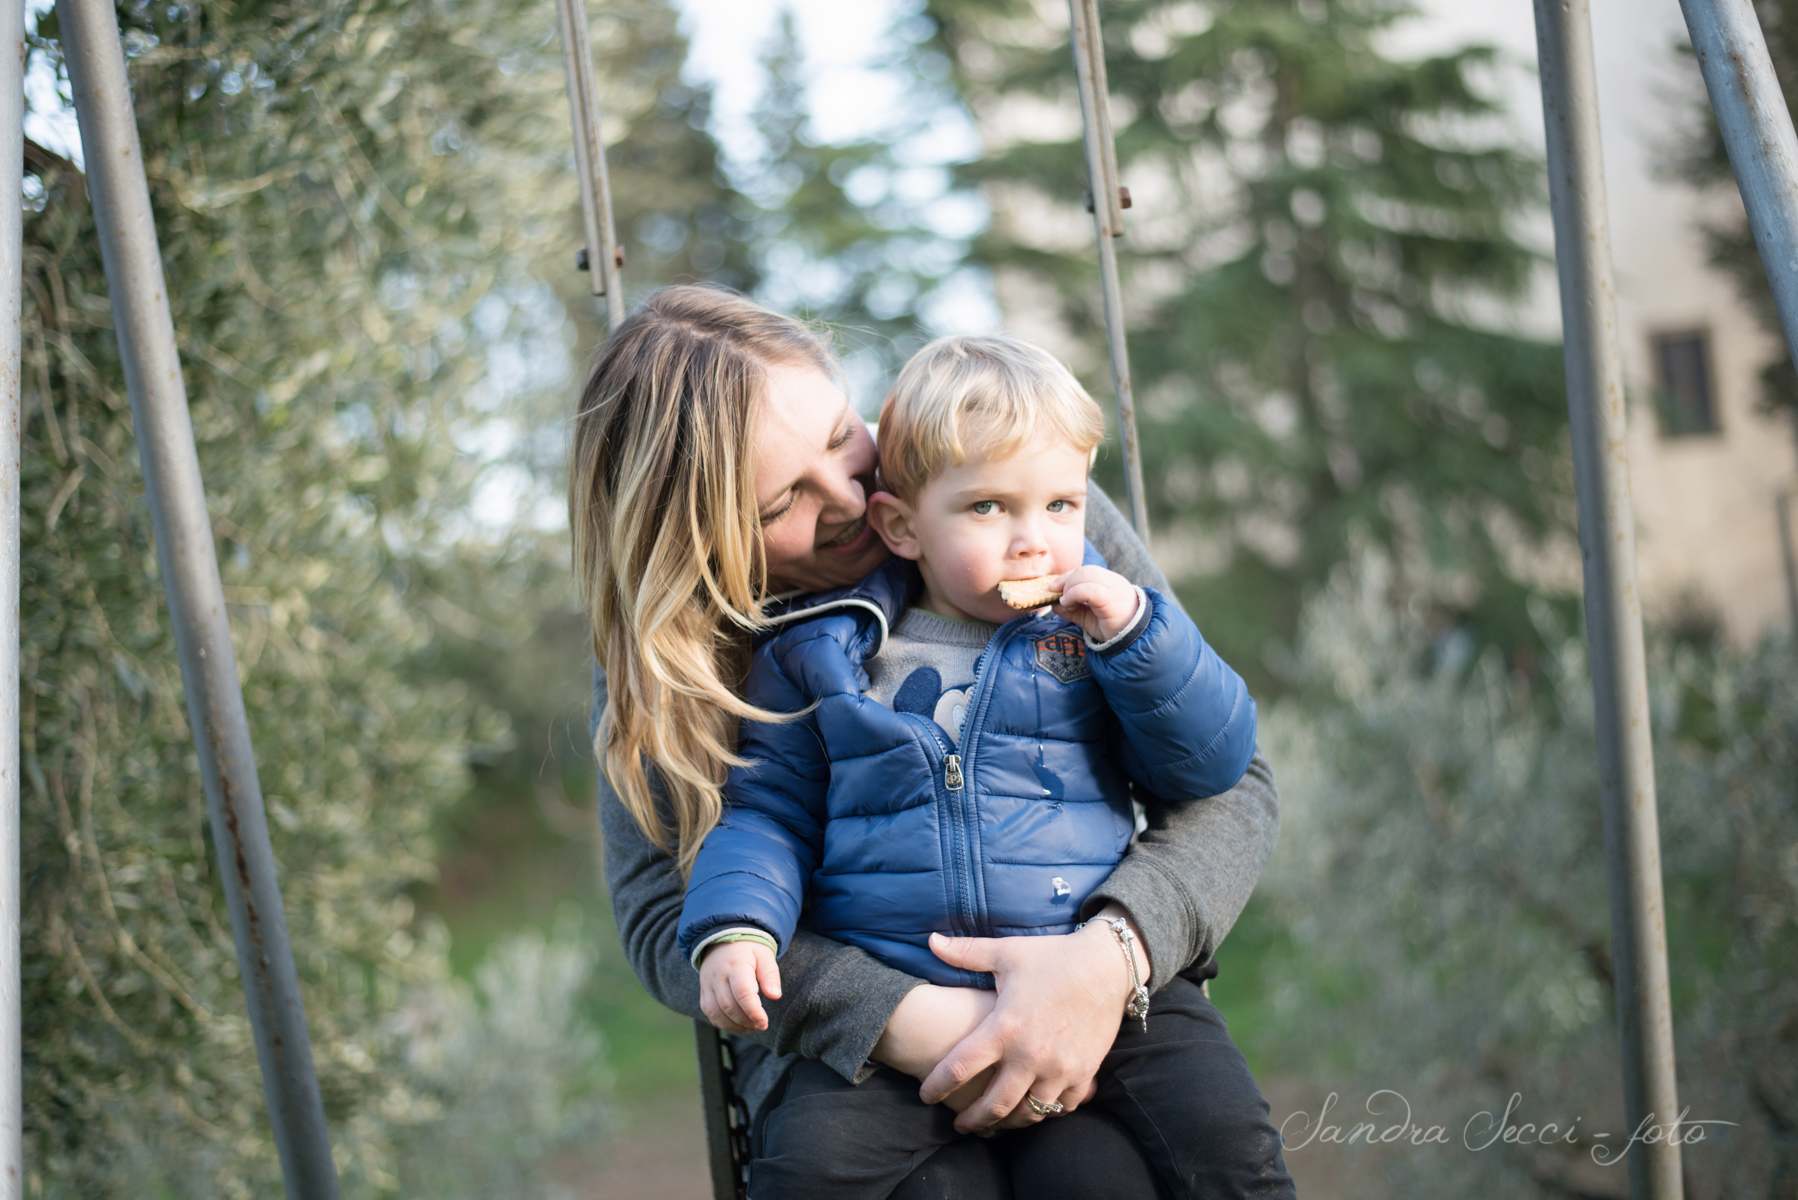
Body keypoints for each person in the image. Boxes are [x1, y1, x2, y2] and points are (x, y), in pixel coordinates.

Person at [571, 284, 1294, 1197]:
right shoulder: (710, 652)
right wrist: (903, 1016)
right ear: (699, 541)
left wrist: (1106, 958)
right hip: (856, 1040)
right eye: (782, 501)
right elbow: (664, 908)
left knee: (1109, 1173)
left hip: (1083, 972)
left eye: (839, 435)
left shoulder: (1006, 480)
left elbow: (1225, 774)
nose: (850, 497)